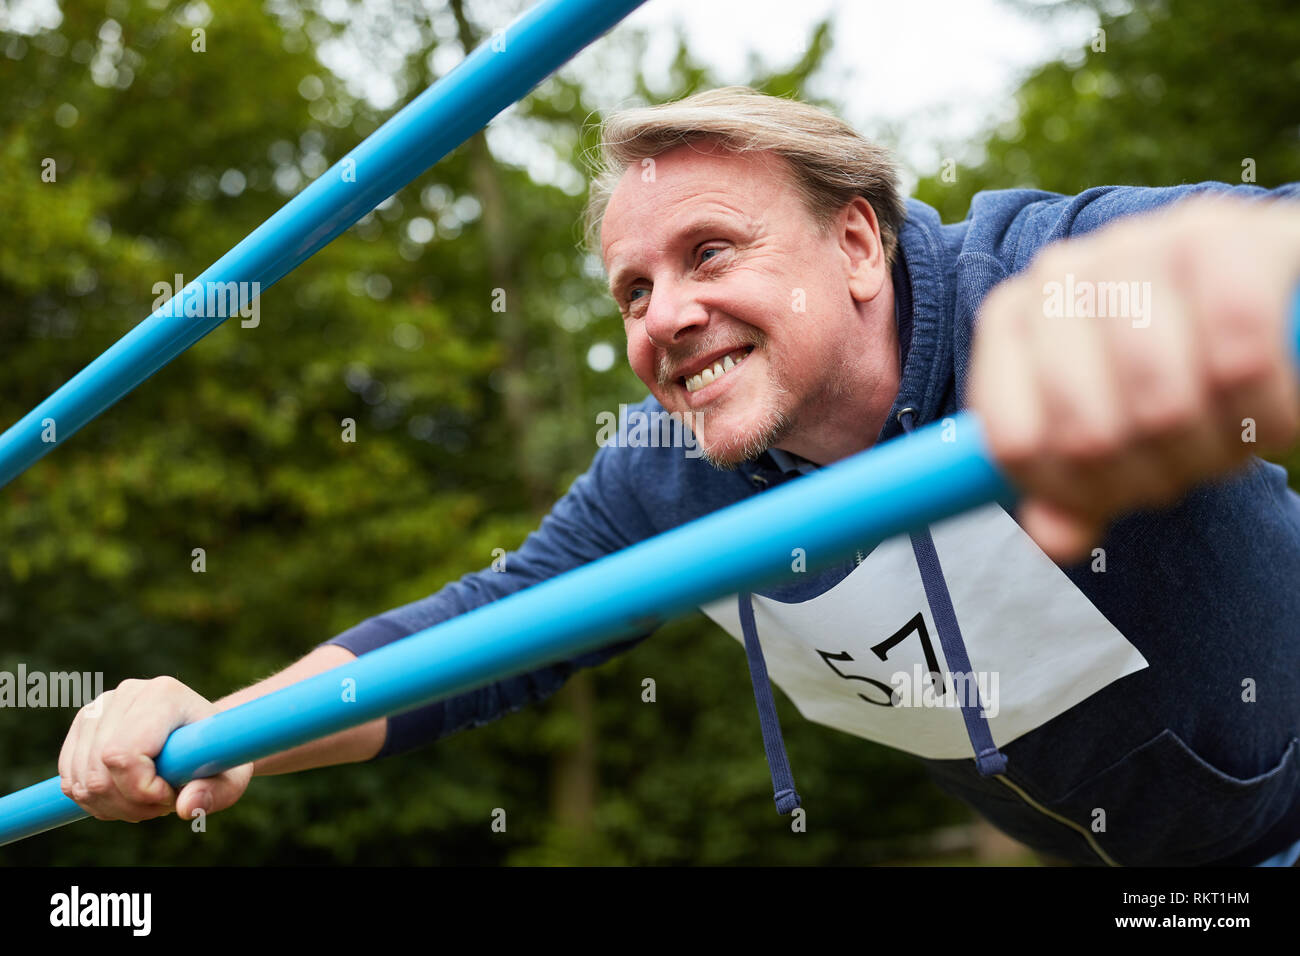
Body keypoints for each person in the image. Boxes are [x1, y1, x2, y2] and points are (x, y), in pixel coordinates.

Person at [57, 87, 1300, 866]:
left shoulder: (1038, 272)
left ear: (857, 241)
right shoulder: (665, 474)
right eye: (634, 291)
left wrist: (1254, 278)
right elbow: (480, 633)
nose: (667, 317)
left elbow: (1238, 260)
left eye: (711, 251)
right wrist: (225, 727)